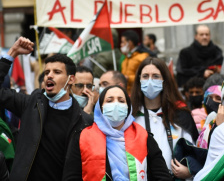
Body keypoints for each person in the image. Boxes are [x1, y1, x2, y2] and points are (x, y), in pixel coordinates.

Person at [0, 37, 93, 181]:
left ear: (71, 79)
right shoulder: (30, 104)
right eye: (47, 71)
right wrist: (12, 53)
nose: (49, 75)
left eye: (57, 72)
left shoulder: (85, 121)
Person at [66, 85, 172, 180]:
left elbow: (162, 176)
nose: (115, 104)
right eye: (109, 101)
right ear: (100, 107)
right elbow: (71, 177)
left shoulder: (143, 137)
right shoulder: (82, 138)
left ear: (128, 107)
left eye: (121, 101)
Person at [130, 57, 198, 178]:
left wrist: (190, 170)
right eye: (145, 76)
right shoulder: (130, 117)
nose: (150, 81)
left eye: (155, 76)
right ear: (139, 80)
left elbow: (196, 151)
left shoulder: (180, 114)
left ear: (164, 80)